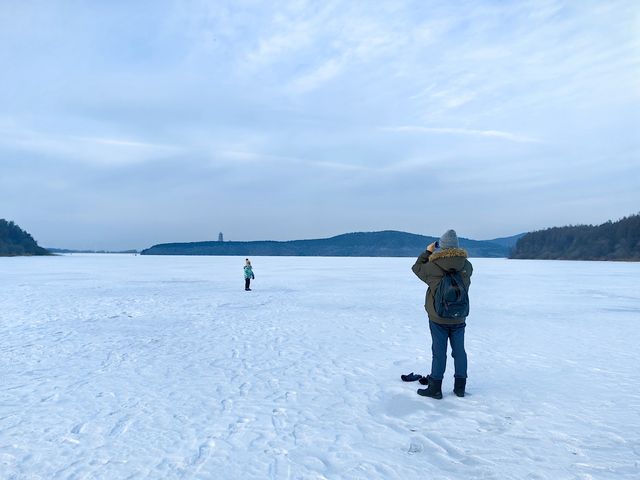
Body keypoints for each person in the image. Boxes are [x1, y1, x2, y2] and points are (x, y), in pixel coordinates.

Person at [411, 229, 473, 399]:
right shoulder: (467, 266)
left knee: (439, 352)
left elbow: (416, 268)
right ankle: (460, 388)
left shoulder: (432, 267)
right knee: (459, 351)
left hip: (438, 317)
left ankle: (435, 389)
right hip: (459, 316)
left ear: (441, 246)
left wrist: (428, 252)